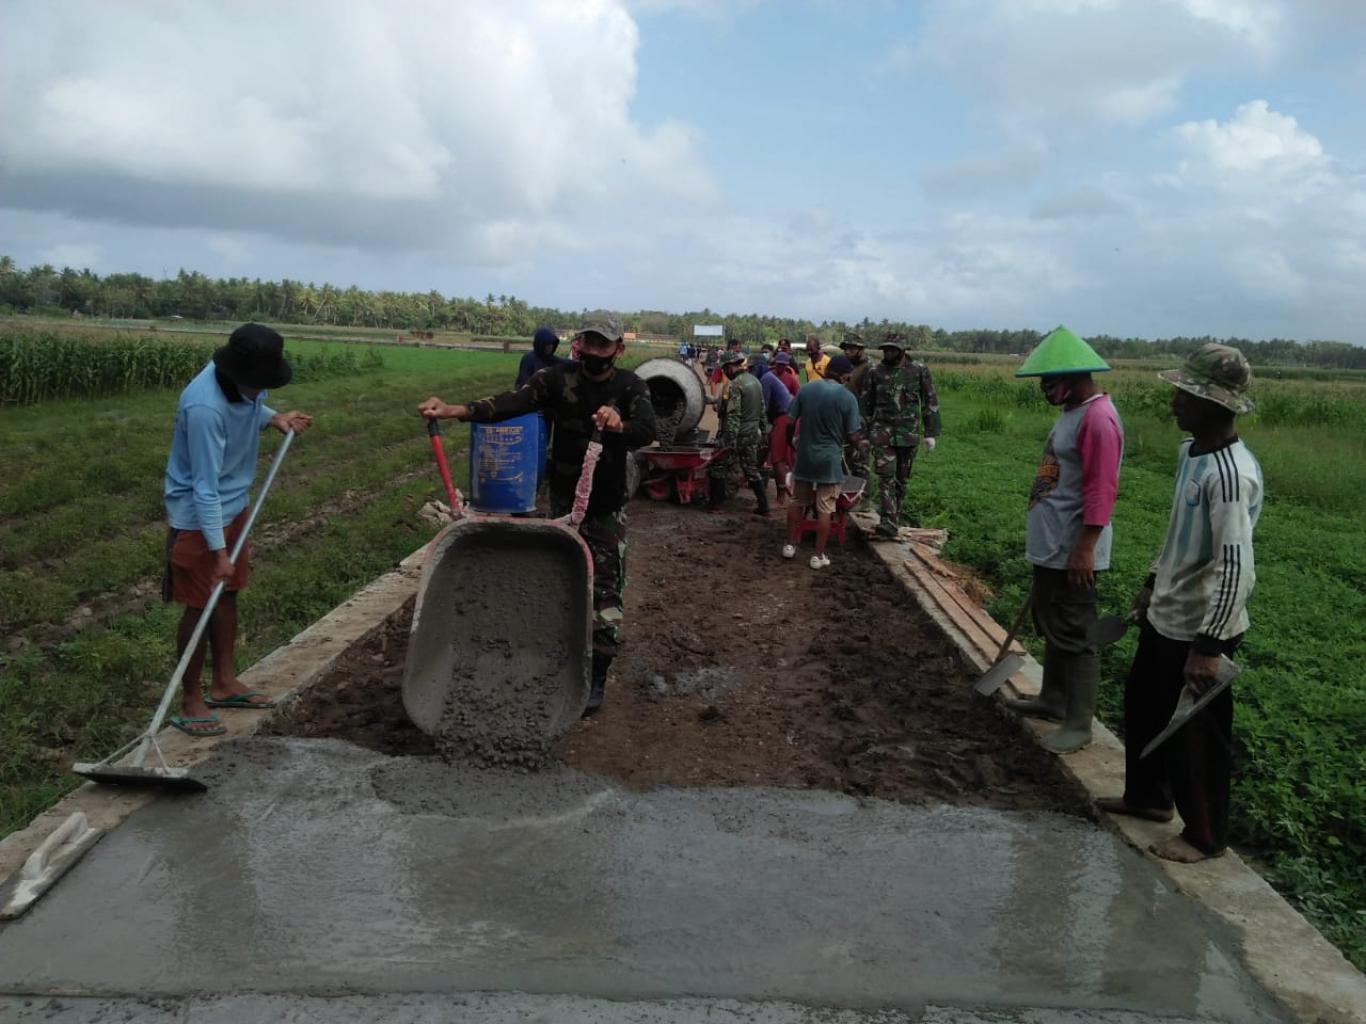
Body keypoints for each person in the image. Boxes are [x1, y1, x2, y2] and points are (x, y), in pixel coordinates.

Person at [417, 311, 657, 716]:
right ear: (578, 344)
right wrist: (455, 410)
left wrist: (618, 424)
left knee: (606, 589)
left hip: (605, 505)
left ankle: (597, 673)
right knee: (560, 580)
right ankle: (554, 655)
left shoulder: (630, 386)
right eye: (589, 342)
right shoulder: (555, 379)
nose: (595, 351)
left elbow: (647, 430)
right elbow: (512, 403)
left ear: (618, 348)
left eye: (604, 344)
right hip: (564, 500)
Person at [1096, 344, 1261, 864]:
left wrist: (1209, 647)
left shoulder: (1231, 475)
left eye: (1186, 394)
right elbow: (1176, 536)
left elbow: (1236, 567)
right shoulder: (1191, 453)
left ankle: (1205, 836)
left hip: (1202, 625)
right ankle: (1147, 798)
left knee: (1196, 736)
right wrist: (1150, 582)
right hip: (1167, 610)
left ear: (1215, 404)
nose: (1175, 402)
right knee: (1144, 707)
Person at [162, 324, 312, 736]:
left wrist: (274, 418)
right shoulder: (203, 408)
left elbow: (248, 409)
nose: (261, 390)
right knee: (199, 604)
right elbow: (203, 488)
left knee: (227, 594)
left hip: (234, 505)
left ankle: (224, 683)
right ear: (237, 374)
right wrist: (217, 552)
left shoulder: (246, 382)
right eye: (258, 386)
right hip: (198, 518)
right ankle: (191, 698)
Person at [1006, 326, 1124, 754]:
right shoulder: (1073, 413)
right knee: (1052, 623)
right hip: (1053, 544)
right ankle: (1054, 699)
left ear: (1072, 377)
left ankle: (1079, 722)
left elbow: (1100, 489)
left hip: (1074, 547)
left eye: (1048, 381)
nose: (1043, 389)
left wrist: (1085, 548)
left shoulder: (1099, 419)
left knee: (1076, 632)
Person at [783, 355, 862, 569]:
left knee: (798, 501)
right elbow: (853, 435)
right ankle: (818, 556)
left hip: (805, 456)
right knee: (826, 507)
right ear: (845, 375)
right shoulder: (848, 398)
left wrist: (791, 442)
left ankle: (789, 546)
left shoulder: (807, 389)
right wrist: (859, 446)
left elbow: (790, 422)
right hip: (829, 460)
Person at [861, 333, 942, 538]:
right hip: (882, 433)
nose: (888, 353)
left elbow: (930, 401)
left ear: (903, 350)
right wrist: (863, 433)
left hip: (908, 434)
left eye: (893, 349)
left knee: (901, 480)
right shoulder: (875, 372)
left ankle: (893, 516)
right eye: (886, 349)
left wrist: (931, 433)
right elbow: (866, 404)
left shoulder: (918, 371)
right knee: (886, 477)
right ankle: (888, 521)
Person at [708, 351, 768, 515]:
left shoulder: (735, 385)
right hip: (752, 433)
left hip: (739, 433)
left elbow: (734, 414)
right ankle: (764, 507)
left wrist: (730, 439)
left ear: (729, 367)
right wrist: (764, 431)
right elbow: (762, 410)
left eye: (725, 369)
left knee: (718, 466)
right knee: (751, 469)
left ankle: (716, 504)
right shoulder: (755, 381)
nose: (724, 373)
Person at [753, 354, 794, 506]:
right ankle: (750, 477)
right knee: (766, 450)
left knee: (777, 459)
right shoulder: (770, 377)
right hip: (785, 416)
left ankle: (781, 496)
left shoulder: (766, 379)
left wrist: (758, 426)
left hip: (784, 417)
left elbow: (764, 408)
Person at [840, 332, 871, 483]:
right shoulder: (851, 367)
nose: (847, 351)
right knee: (847, 458)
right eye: (845, 349)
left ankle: (863, 498)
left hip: (860, 421)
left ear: (860, 349)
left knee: (860, 462)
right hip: (847, 418)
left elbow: (867, 398)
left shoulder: (868, 368)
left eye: (851, 348)